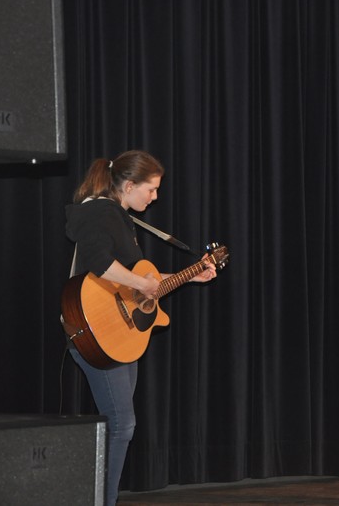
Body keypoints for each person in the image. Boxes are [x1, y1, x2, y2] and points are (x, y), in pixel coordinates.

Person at [64, 150, 217, 504]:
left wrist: (191, 276)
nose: (155, 197)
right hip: (95, 331)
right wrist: (141, 282)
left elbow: (137, 283)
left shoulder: (120, 219)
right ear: (129, 185)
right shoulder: (98, 212)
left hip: (121, 333)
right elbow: (100, 263)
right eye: (151, 189)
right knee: (122, 425)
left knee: (118, 424)